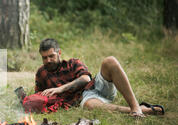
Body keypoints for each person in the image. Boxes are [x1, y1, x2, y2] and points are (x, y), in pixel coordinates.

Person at [31, 38, 164, 117]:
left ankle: (136, 108)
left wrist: (60, 89)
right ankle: (142, 110)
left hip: (94, 88)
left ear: (59, 53)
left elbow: (86, 79)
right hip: (85, 100)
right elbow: (39, 96)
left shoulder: (72, 63)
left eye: (51, 56)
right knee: (89, 104)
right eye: (44, 57)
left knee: (110, 61)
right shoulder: (41, 73)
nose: (48, 60)